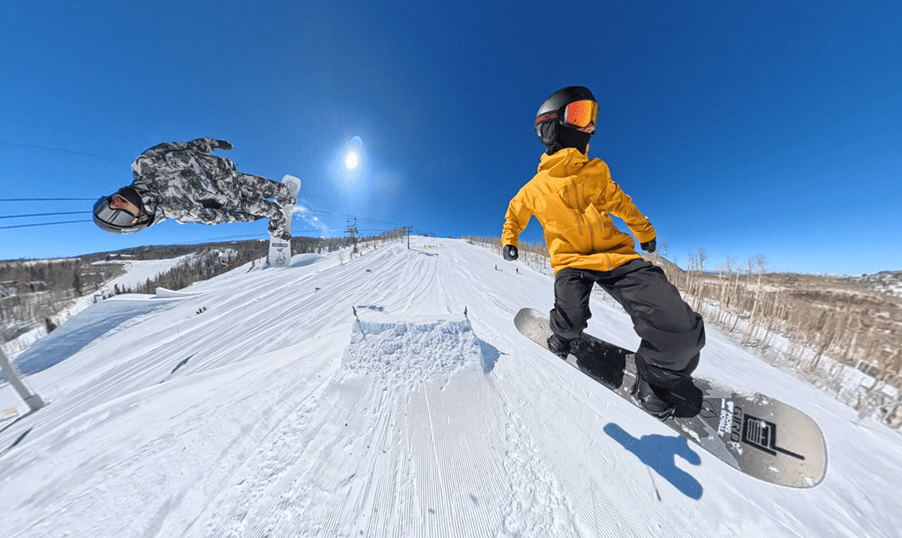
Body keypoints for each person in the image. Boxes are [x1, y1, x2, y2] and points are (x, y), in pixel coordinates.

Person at [502, 86, 705, 418]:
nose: (591, 128)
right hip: (571, 262)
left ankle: (654, 380)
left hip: (617, 257)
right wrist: (510, 240)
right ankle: (562, 337)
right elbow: (514, 214)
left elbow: (622, 204)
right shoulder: (534, 190)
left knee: (681, 330)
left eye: (592, 118)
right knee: (569, 321)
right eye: (581, 116)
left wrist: (645, 232)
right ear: (551, 125)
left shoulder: (596, 173)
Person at [93, 137, 296, 238]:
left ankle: (286, 197)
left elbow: (179, 147)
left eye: (109, 201)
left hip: (230, 175)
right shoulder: (178, 210)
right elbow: (219, 217)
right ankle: (277, 230)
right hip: (236, 201)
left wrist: (209, 143)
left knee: (275, 188)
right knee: (273, 212)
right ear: (138, 220)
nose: (116, 201)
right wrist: (249, 216)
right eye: (117, 212)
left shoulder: (144, 163)